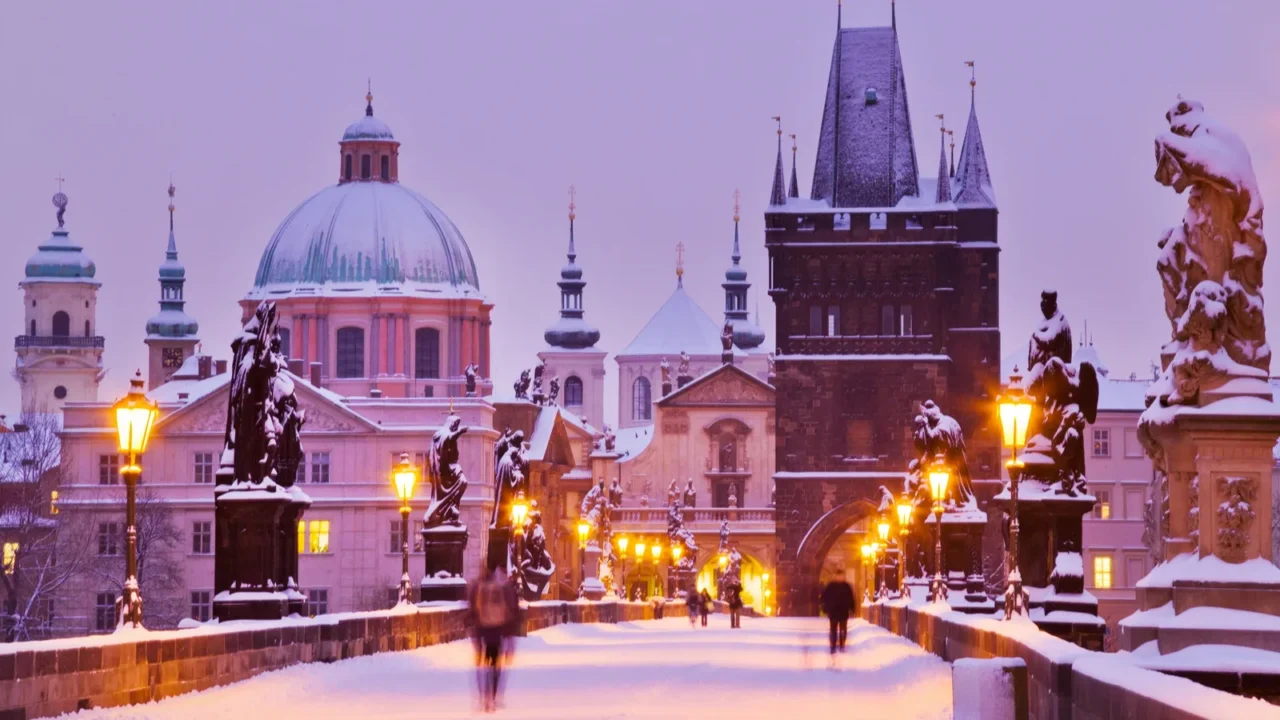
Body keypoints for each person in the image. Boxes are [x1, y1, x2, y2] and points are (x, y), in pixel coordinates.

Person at [468, 568, 520, 713]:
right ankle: (493, 695)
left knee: (482, 664)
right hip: (496, 628)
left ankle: (484, 696)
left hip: (481, 628)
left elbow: (472, 609)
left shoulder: (478, 587)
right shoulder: (501, 588)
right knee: (495, 663)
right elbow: (510, 609)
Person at [820, 570, 855, 657]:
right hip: (834, 612)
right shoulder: (831, 586)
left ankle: (842, 644)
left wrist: (852, 608)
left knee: (843, 629)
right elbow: (824, 597)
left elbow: (851, 598)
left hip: (842, 611)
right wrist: (826, 607)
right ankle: (833, 646)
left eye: (841, 576)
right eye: (838, 576)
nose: (840, 578)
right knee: (833, 630)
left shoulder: (846, 587)